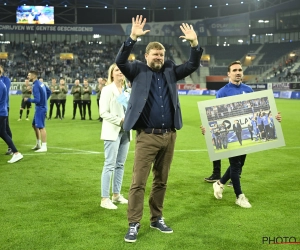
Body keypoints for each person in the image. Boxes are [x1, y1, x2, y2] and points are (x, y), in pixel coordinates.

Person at [115, 15, 202, 243]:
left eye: (161, 55)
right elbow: (120, 61)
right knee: (138, 183)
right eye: (155, 55)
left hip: (169, 136)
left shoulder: (171, 71)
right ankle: (134, 224)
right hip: (147, 137)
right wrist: (132, 37)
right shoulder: (136, 71)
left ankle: (156, 219)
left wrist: (194, 44)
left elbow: (193, 64)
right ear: (146, 56)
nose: (159, 58)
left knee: (161, 181)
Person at [201, 60, 282, 208]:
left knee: (239, 164)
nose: (238, 72)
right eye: (235, 70)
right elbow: (216, 116)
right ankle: (239, 196)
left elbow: (257, 112)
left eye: (240, 70)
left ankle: (219, 183)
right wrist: (207, 128)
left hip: (246, 135)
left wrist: (274, 118)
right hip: (231, 134)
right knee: (236, 165)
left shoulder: (249, 90)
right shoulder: (222, 92)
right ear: (229, 74)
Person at [99, 63, 132, 210]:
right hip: (113, 130)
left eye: (121, 70)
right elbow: (103, 112)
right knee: (109, 164)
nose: (120, 72)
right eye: (117, 70)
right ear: (112, 74)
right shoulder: (107, 90)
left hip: (125, 132)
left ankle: (116, 194)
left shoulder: (126, 91)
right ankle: (104, 198)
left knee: (120, 164)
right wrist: (120, 121)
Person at [24, 70, 51, 152]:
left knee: (41, 127)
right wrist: (44, 100)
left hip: (40, 109)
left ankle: (44, 146)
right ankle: (38, 144)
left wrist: (28, 99)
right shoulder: (41, 83)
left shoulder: (35, 85)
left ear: (33, 76)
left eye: (29, 75)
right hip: (41, 107)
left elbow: (37, 100)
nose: (28, 77)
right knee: (34, 125)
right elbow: (49, 92)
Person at [0, 78, 24, 163]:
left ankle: (16, 153)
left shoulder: (0, 84)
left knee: (3, 133)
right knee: (3, 133)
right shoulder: (2, 84)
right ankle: (16, 153)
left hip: (0, 113)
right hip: (2, 112)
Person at [0, 65, 13, 155]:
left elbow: (5, 91)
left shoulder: (6, 80)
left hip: (4, 107)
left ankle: (11, 148)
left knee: (5, 128)